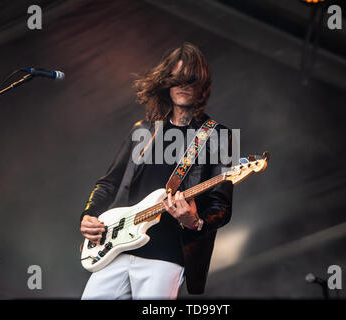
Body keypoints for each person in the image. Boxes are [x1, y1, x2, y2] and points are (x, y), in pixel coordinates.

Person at [80, 42, 233, 299]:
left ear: (202, 86)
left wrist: (194, 221)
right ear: (165, 82)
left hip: (167, 256)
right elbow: (108, 183)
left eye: (191, 79)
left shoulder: (219, 135)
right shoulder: (143, 129)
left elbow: (222, 206)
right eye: (177, 78)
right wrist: (89, 214)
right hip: (117, 250)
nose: (183, 85)